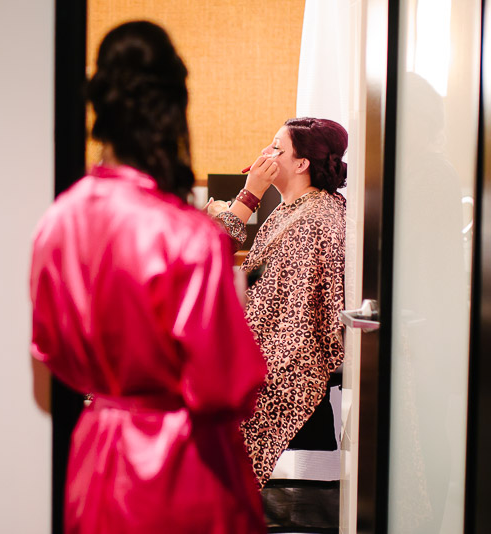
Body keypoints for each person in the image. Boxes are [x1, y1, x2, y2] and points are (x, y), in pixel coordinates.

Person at [30, 21, 267, 534]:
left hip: (95, 462)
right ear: (172, 111)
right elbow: (226, 389)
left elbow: (45, 384)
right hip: (183, 467)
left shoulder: (57, 223)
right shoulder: (186, 235)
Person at [206, 117, 347, 490]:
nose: (265, 155)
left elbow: (294, 319)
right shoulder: (292, 209)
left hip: (286, 361)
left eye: (275, 148)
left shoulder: (314, 219)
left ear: (301, 164)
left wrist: (250, 193)